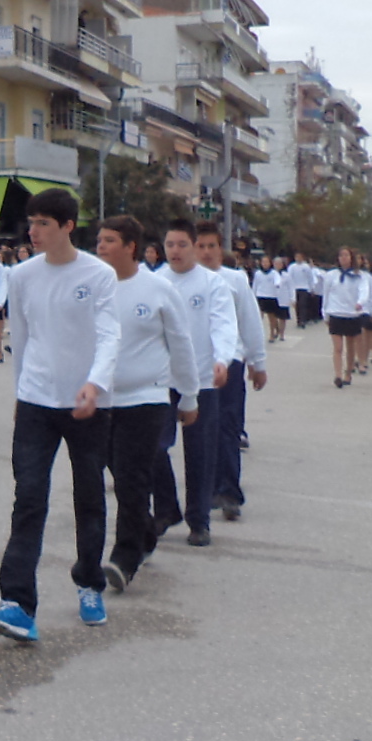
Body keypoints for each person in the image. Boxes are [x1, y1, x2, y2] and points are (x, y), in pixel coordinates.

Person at [0, 189, 120, 643]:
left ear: (67, 227)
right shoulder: (20, 275)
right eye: (31, 222)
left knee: (88, 497)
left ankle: (89, 581)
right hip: (37, 401)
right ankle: (17, 603)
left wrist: (95, 383)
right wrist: (21, 391)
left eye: (42, 224)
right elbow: (24, 334)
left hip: (87, 405)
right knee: (30, 497)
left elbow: (109, 334)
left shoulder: (98, 275)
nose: (32, 232)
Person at [93, 216, 199, 594]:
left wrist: (188, 396)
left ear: (130, 246)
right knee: (118, 474)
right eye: (99, 240)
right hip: (103, 400)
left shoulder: (157, 289)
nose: (100, 247)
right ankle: (146, 535)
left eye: (108, 240)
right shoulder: (93, 288)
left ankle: (124, 557)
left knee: (131, 478)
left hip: (147, 398)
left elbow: (181, 345)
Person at [158, 220, 237, 548]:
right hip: (160, 380)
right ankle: (164, 509)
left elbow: (223, 324)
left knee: (200, 453)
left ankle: (199, 519)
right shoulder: (155, 281)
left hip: (202, 379)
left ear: (193, 246)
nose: (175, 251)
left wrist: (223, 358)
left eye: (182, 245)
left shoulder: (212, 284)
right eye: (170, 244)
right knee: (153, 447)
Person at [196, 223, 266, 521]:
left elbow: (250, 321)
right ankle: (204, 490)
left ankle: (229, 492)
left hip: (231, 360)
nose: (207, 252)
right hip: (196, 364)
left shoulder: (235, 280)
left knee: (227, 427)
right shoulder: (180, 280)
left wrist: (257, 362)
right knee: (199, 430)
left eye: (212, 246)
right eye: (201, 246)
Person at [320, 247, 371, 384]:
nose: (343, 258)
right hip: (335, 313)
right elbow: (326, 294)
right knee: (337, 347)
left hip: (352, 314)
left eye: (346, 255)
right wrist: (325, 313)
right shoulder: (331, 275)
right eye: (341, 255)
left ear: (351, 258)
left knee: (350, 347)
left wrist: (360, 302)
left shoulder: (359, 275)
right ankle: (338, 375)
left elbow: (364, 290)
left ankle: (348, 373)